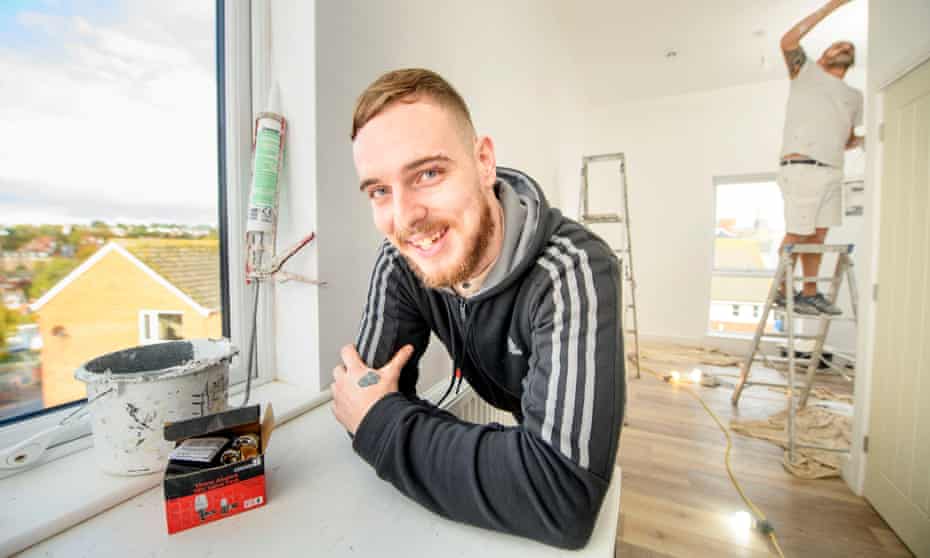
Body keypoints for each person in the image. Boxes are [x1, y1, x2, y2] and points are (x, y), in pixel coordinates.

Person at [329, 68, 625, 549]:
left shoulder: (576, 268)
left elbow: (561, 496)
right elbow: (364, 398)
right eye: (380, 190)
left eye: (428, 173)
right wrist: (504, 464)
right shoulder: (401, 259)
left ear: (484, 161)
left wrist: (384, 425)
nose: (404, 219)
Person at [776, 0, 863, 315]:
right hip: (802, 167)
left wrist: (869, 139)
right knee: (798, 231)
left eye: (848, 46)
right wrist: (833, 6)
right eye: (837, 44)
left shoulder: (854, 98)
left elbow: (848, 138)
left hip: (832, 170)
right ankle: (783, 289)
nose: (844, 46)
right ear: (824, 56)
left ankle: (810, 292)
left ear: (850, 61)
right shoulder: (806, 74)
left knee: (819, 233)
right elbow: (788, 42)